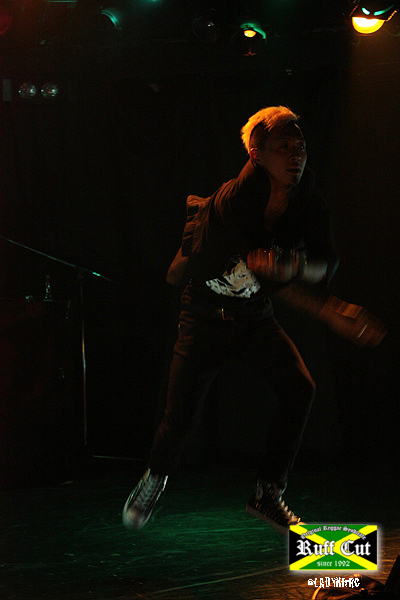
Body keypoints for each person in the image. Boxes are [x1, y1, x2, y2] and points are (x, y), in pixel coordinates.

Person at [122, 105, 339, 535]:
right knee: (180, 416)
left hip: (252, 316)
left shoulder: (307, 193)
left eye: (300, 146)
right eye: (283, 147)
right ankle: (155, 478)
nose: (295, 155)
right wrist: (321, 303)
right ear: (257, 154)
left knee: (300, 388)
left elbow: (326, 261)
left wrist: (297, 267)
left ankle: (268, 493)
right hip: (205, 315)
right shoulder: (235, 199)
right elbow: (261, 273)